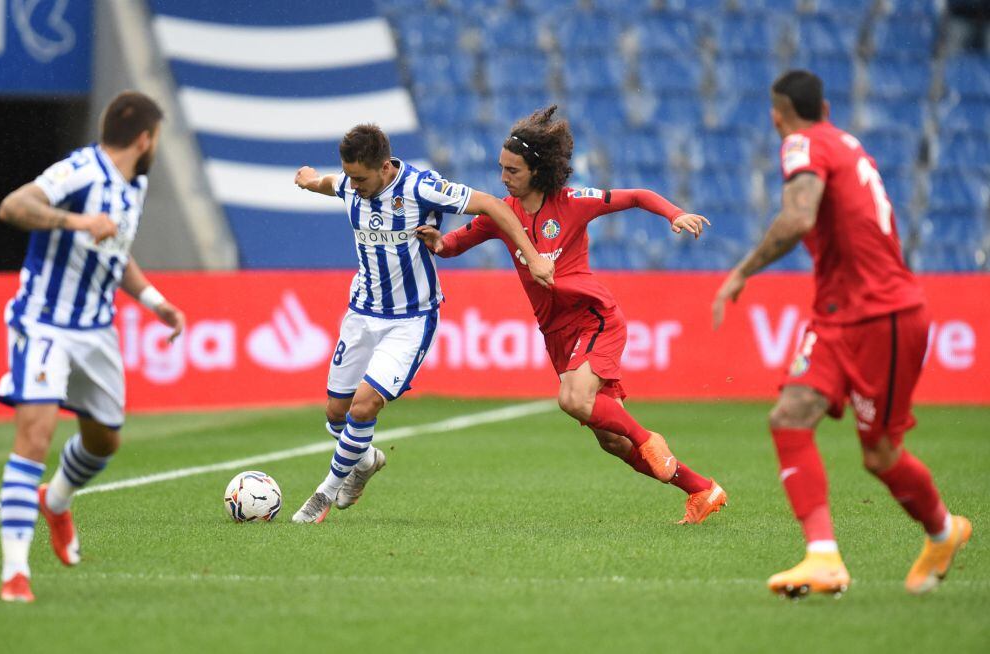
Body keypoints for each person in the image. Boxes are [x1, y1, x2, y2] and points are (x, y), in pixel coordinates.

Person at [713, 70, 971, 598]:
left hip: (885, 315)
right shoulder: (844, 141)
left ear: (776, 116)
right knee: (789, 417)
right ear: (826, 107)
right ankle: (823, 558)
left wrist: (743, 271)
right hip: (837, 316)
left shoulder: (801, 143)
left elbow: (799, 217)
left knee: (879, 454)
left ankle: (944, 531)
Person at [416, 106, 727, 525]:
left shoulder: (573, 203)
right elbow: (454, 245)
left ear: (538, 170)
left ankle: (649, 438)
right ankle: (702, 489)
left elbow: (636, 196)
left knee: (574, 400)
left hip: (593, 317)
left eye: (513, 171)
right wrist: (437, 241)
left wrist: (675, 214)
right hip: (556, 333)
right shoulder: (500, 214)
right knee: (612, 443)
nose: (503, 178)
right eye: (501, 168)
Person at [290, 123, 555, 523]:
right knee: (336, 413)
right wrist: (311, 182)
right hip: (361, 313)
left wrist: (533, 256)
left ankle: (324, 494)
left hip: (410, 319)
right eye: (350, 176)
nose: (354, 185)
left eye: (361, 177)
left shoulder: (421, 188)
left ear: (384, 168)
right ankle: (363, 462)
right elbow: (334, 184)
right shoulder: (350, 184)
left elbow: (493, 206)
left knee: (364, 407)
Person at [0, 91, 185, 602]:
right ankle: (15, 573)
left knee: (104, 442)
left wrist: (154, 300)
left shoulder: (134, 185)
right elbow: (14, 206)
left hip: (97, 330)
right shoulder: (78, 171)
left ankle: (55, 501)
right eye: (157, 138)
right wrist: (78, 220)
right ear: (145, 138)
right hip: (44, 323)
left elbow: (115, 254)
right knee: (34, 437)